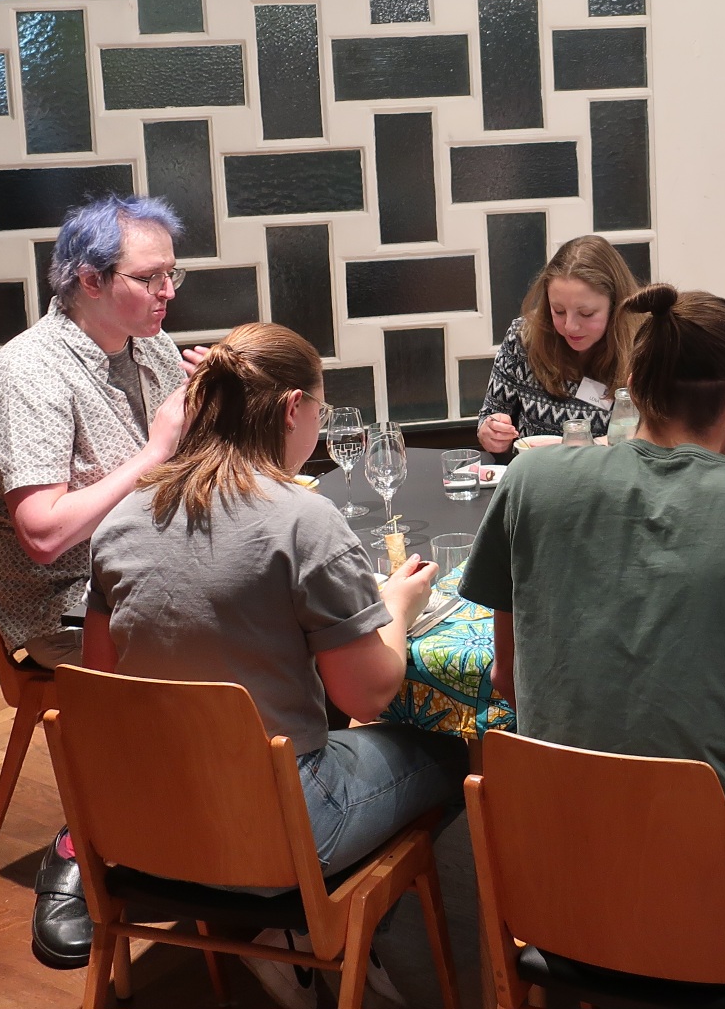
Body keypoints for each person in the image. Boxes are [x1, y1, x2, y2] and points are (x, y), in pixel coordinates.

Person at [460, 284, 725, 968]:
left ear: (633, 388)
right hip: (721, 928)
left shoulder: (528, 482)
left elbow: (509, 682)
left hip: (554, 900)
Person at [85, 322, 468, 1009]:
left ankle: (286, 943)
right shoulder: (302, 519)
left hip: (139, 823)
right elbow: (366, 696)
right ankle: (351, 935)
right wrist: (396, 606)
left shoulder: (120, 520)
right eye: (321, 409)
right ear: (295, 408)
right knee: (448, 749)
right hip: (278, 837)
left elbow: (99, 685)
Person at [0, 194, 205, 969]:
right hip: (65, 601)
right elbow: (42, 536)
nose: (169, 292)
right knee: (228, 650)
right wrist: (159, 447)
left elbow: (183, 466)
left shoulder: (153, 349)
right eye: (151, 278)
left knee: (285, 611)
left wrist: (219, 407)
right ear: (90, 280)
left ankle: (246, 821)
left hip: (155, 573)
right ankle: (81, 842)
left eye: (173, 275)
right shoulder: (29, 372)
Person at [476, 235, 640, 453]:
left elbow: (654, 441)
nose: (570, 326)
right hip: (531, 472)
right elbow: (490, 415)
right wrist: (492, 432)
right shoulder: (523, 338)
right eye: (559, 311)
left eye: (586, 313)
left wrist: (579, 447)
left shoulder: (643, 347)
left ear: (616, 306)